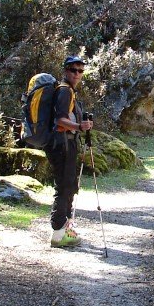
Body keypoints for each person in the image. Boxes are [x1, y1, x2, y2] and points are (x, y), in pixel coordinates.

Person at [48, 55, 93, 247]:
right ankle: (58, 233)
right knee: (65, 186)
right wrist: (79, 126)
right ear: (66, 71)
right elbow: (60, 120)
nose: (77, 74)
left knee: (69, 185)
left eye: (80, 71)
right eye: (73, 70)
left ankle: (65, 228)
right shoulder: (65, 91)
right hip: (62, 144)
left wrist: (79, 126)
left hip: (66, 143)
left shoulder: (69, 91)